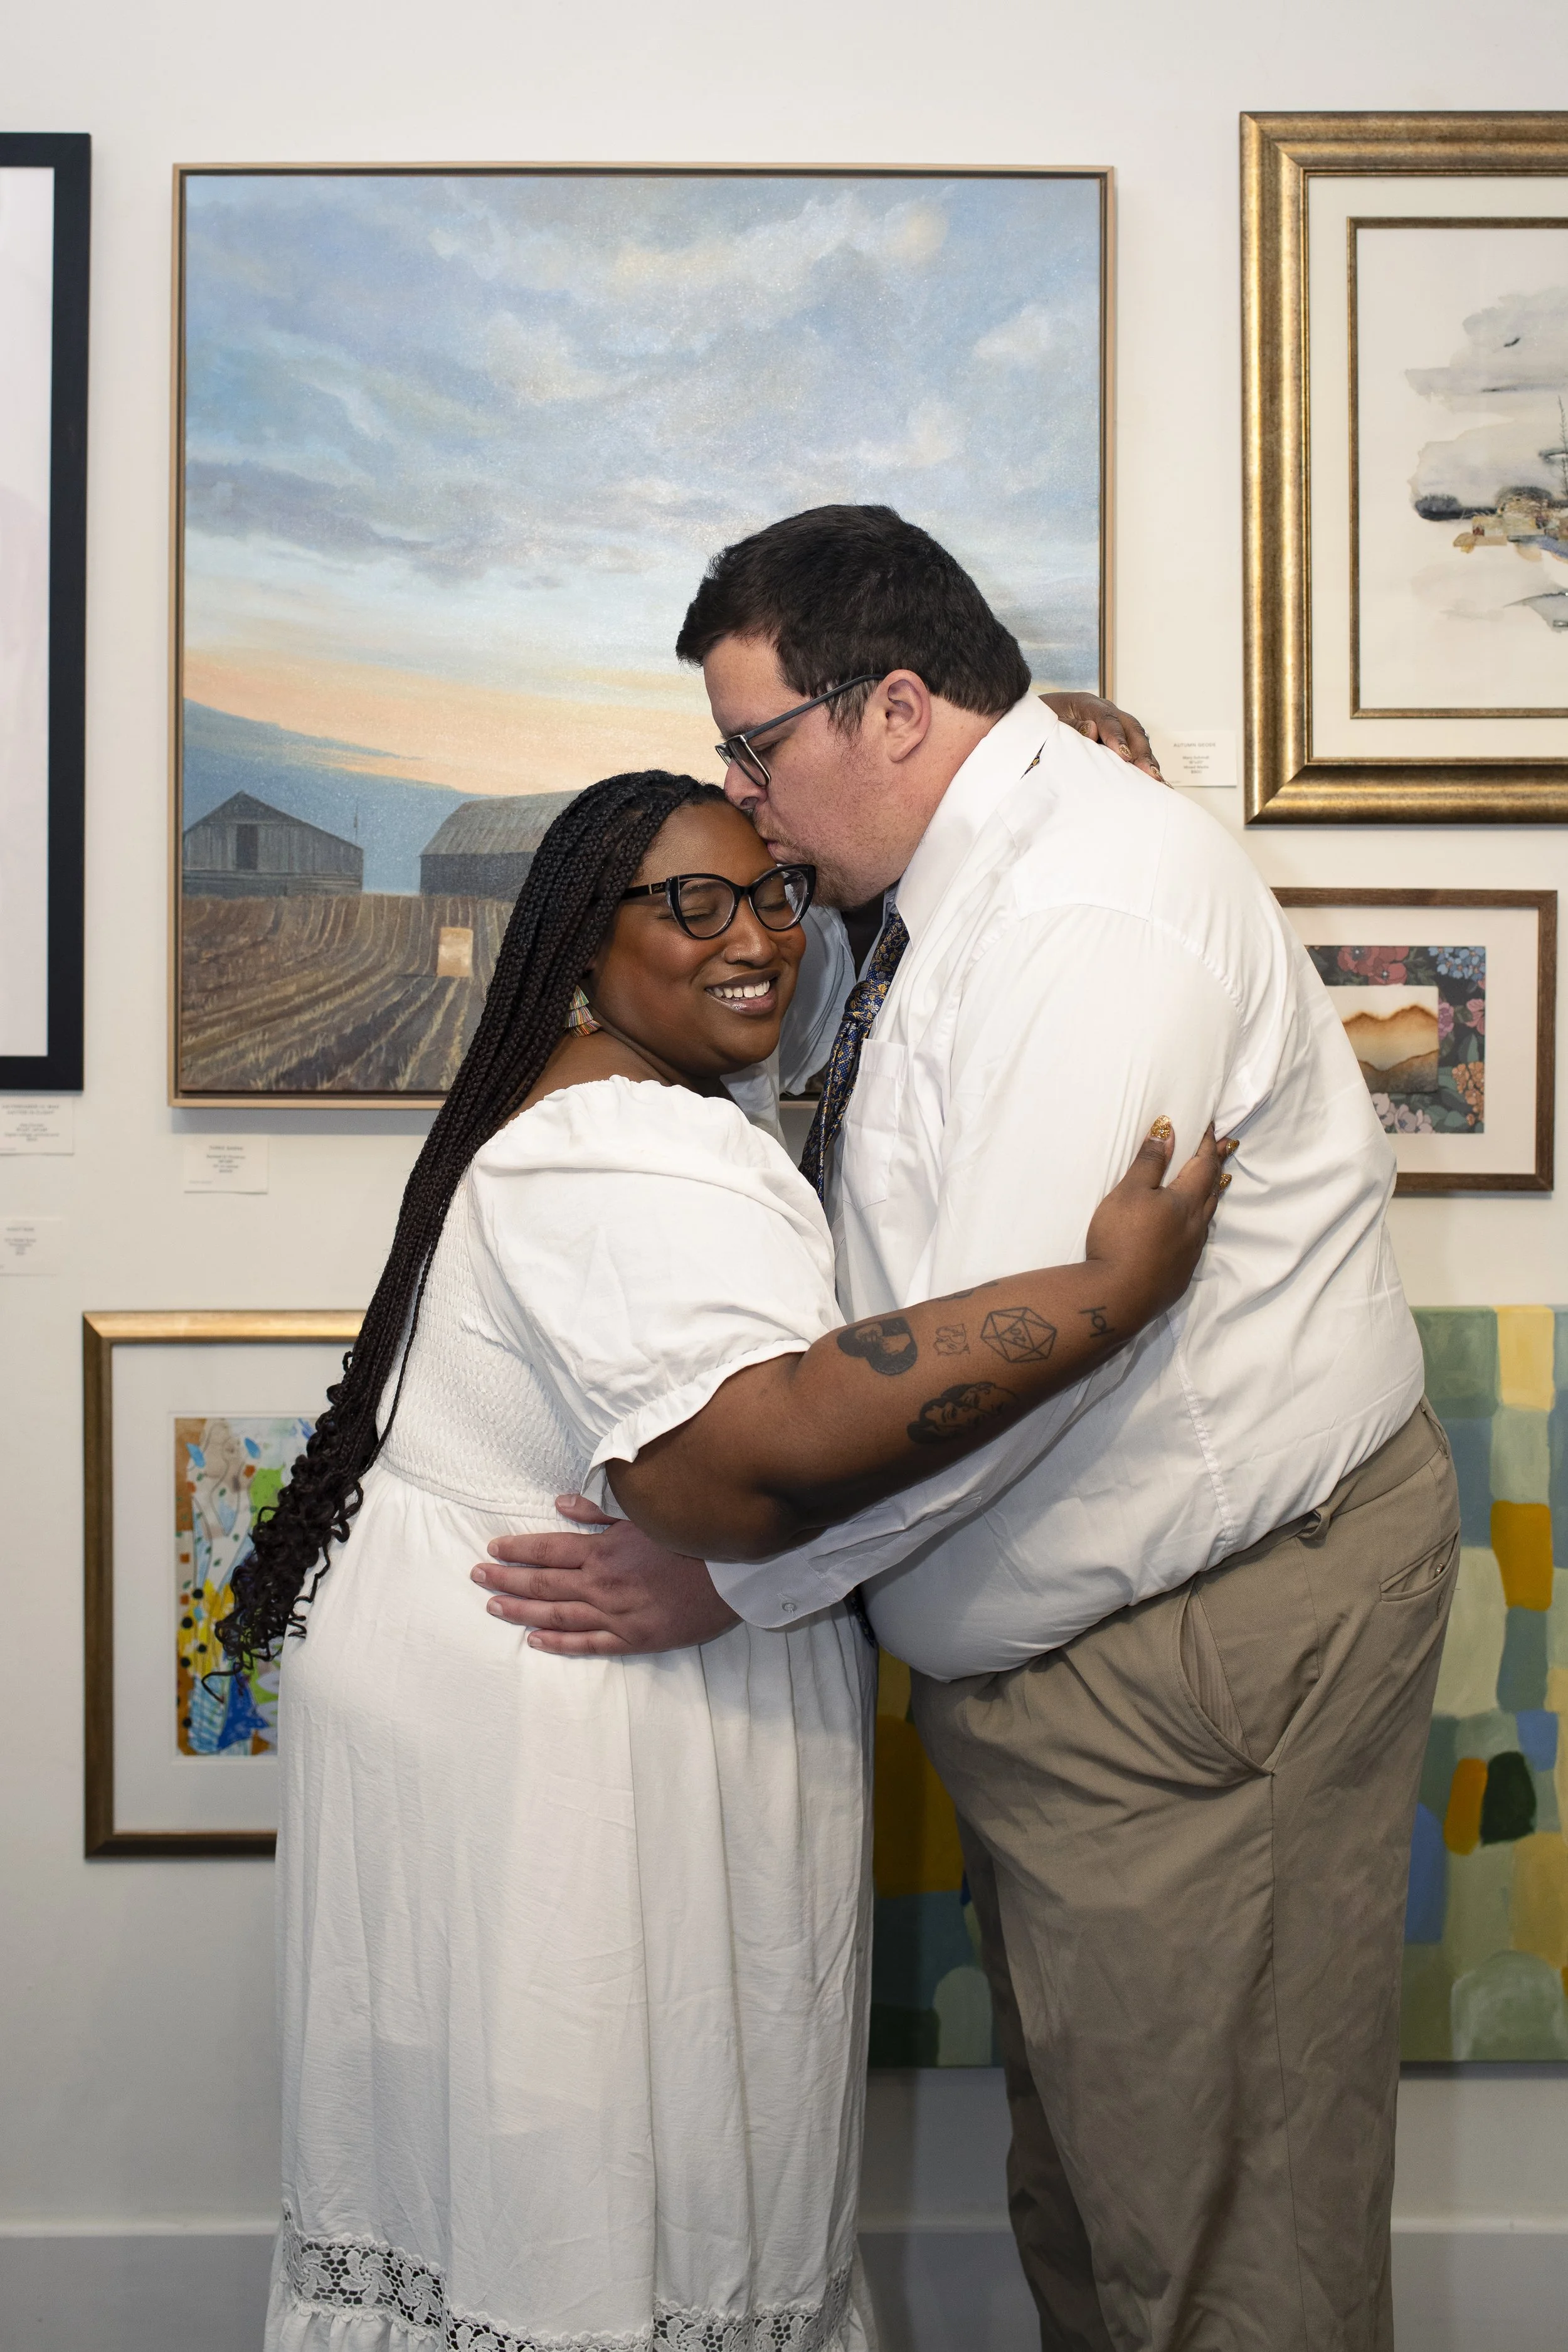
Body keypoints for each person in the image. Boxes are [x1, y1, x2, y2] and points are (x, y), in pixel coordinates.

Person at [477, 509, 1462, 2352]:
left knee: (1216, 2238)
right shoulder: (952, 875)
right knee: (1104, 2195)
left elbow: (1018, 1366)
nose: (742, 797)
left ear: (900, 707)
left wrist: (738, 1577)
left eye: (758, 745)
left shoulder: (1082, 915)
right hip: (1096, 1678)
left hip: (1194, 1656)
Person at [220, 768, 1225, 2352]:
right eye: (689, 903)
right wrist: (1111, 1289)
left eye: (769, 892)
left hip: (504, 1709)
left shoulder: (602, 1100)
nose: (750, 933)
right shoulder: (620, 1147)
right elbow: (740, 1475)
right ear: (579, 938)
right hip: (567, 1753)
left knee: (508, 2200)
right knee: (596, 2222)